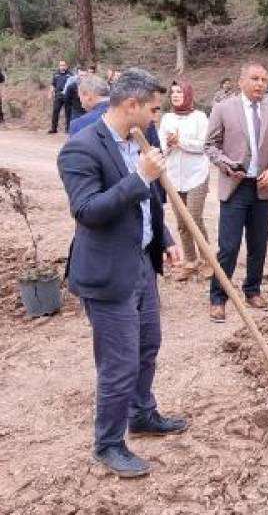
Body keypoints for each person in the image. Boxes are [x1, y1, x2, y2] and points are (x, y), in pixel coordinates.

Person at [56, 68, 188, 479]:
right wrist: (139, 178)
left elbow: (147, 200)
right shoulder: (80, 149)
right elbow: (88, 211)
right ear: (130, 105)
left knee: (148, 344)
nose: (156, 117)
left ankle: (141, 414)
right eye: (152, 109)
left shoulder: (137, 140)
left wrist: (164, 238)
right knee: (119, 363)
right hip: (107, 274)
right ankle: (108, 443)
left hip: (140, 266)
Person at [204, 62, 268, 322]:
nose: (260, 84)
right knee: (228, 247)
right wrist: (228, 166)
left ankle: (252, 290)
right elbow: (210, 145)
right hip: (236, 186)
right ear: (241, 81)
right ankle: (218, 298)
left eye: (264, 79)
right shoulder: (223, 109)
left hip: (262, 188)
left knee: (258, 245)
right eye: (254, 79)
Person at [158, 80, 211, 282]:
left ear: (188, 94)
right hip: (173, 177)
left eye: (179, 91)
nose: (175, 95)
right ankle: (190, 260)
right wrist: (170, 145)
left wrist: (181, 142)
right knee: (181, 222)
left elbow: (204, 145)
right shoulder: (167, 118)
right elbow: (162, 147)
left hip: (197, 175)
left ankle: (208, 260)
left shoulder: (199, 117)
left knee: (194, 218)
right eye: (173, 92)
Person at [49, 60, 72, 133]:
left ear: (66, 66)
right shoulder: (56, 74)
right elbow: (53, 84)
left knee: (68, 112)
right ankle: (53, 129)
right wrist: (50, 92)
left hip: (67, 95)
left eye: (64, 65)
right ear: (59, 66)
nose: (62, 67)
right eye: (61, 65)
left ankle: (68, 129)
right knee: (55, 111)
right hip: (58, 95)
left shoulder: (70, 74)